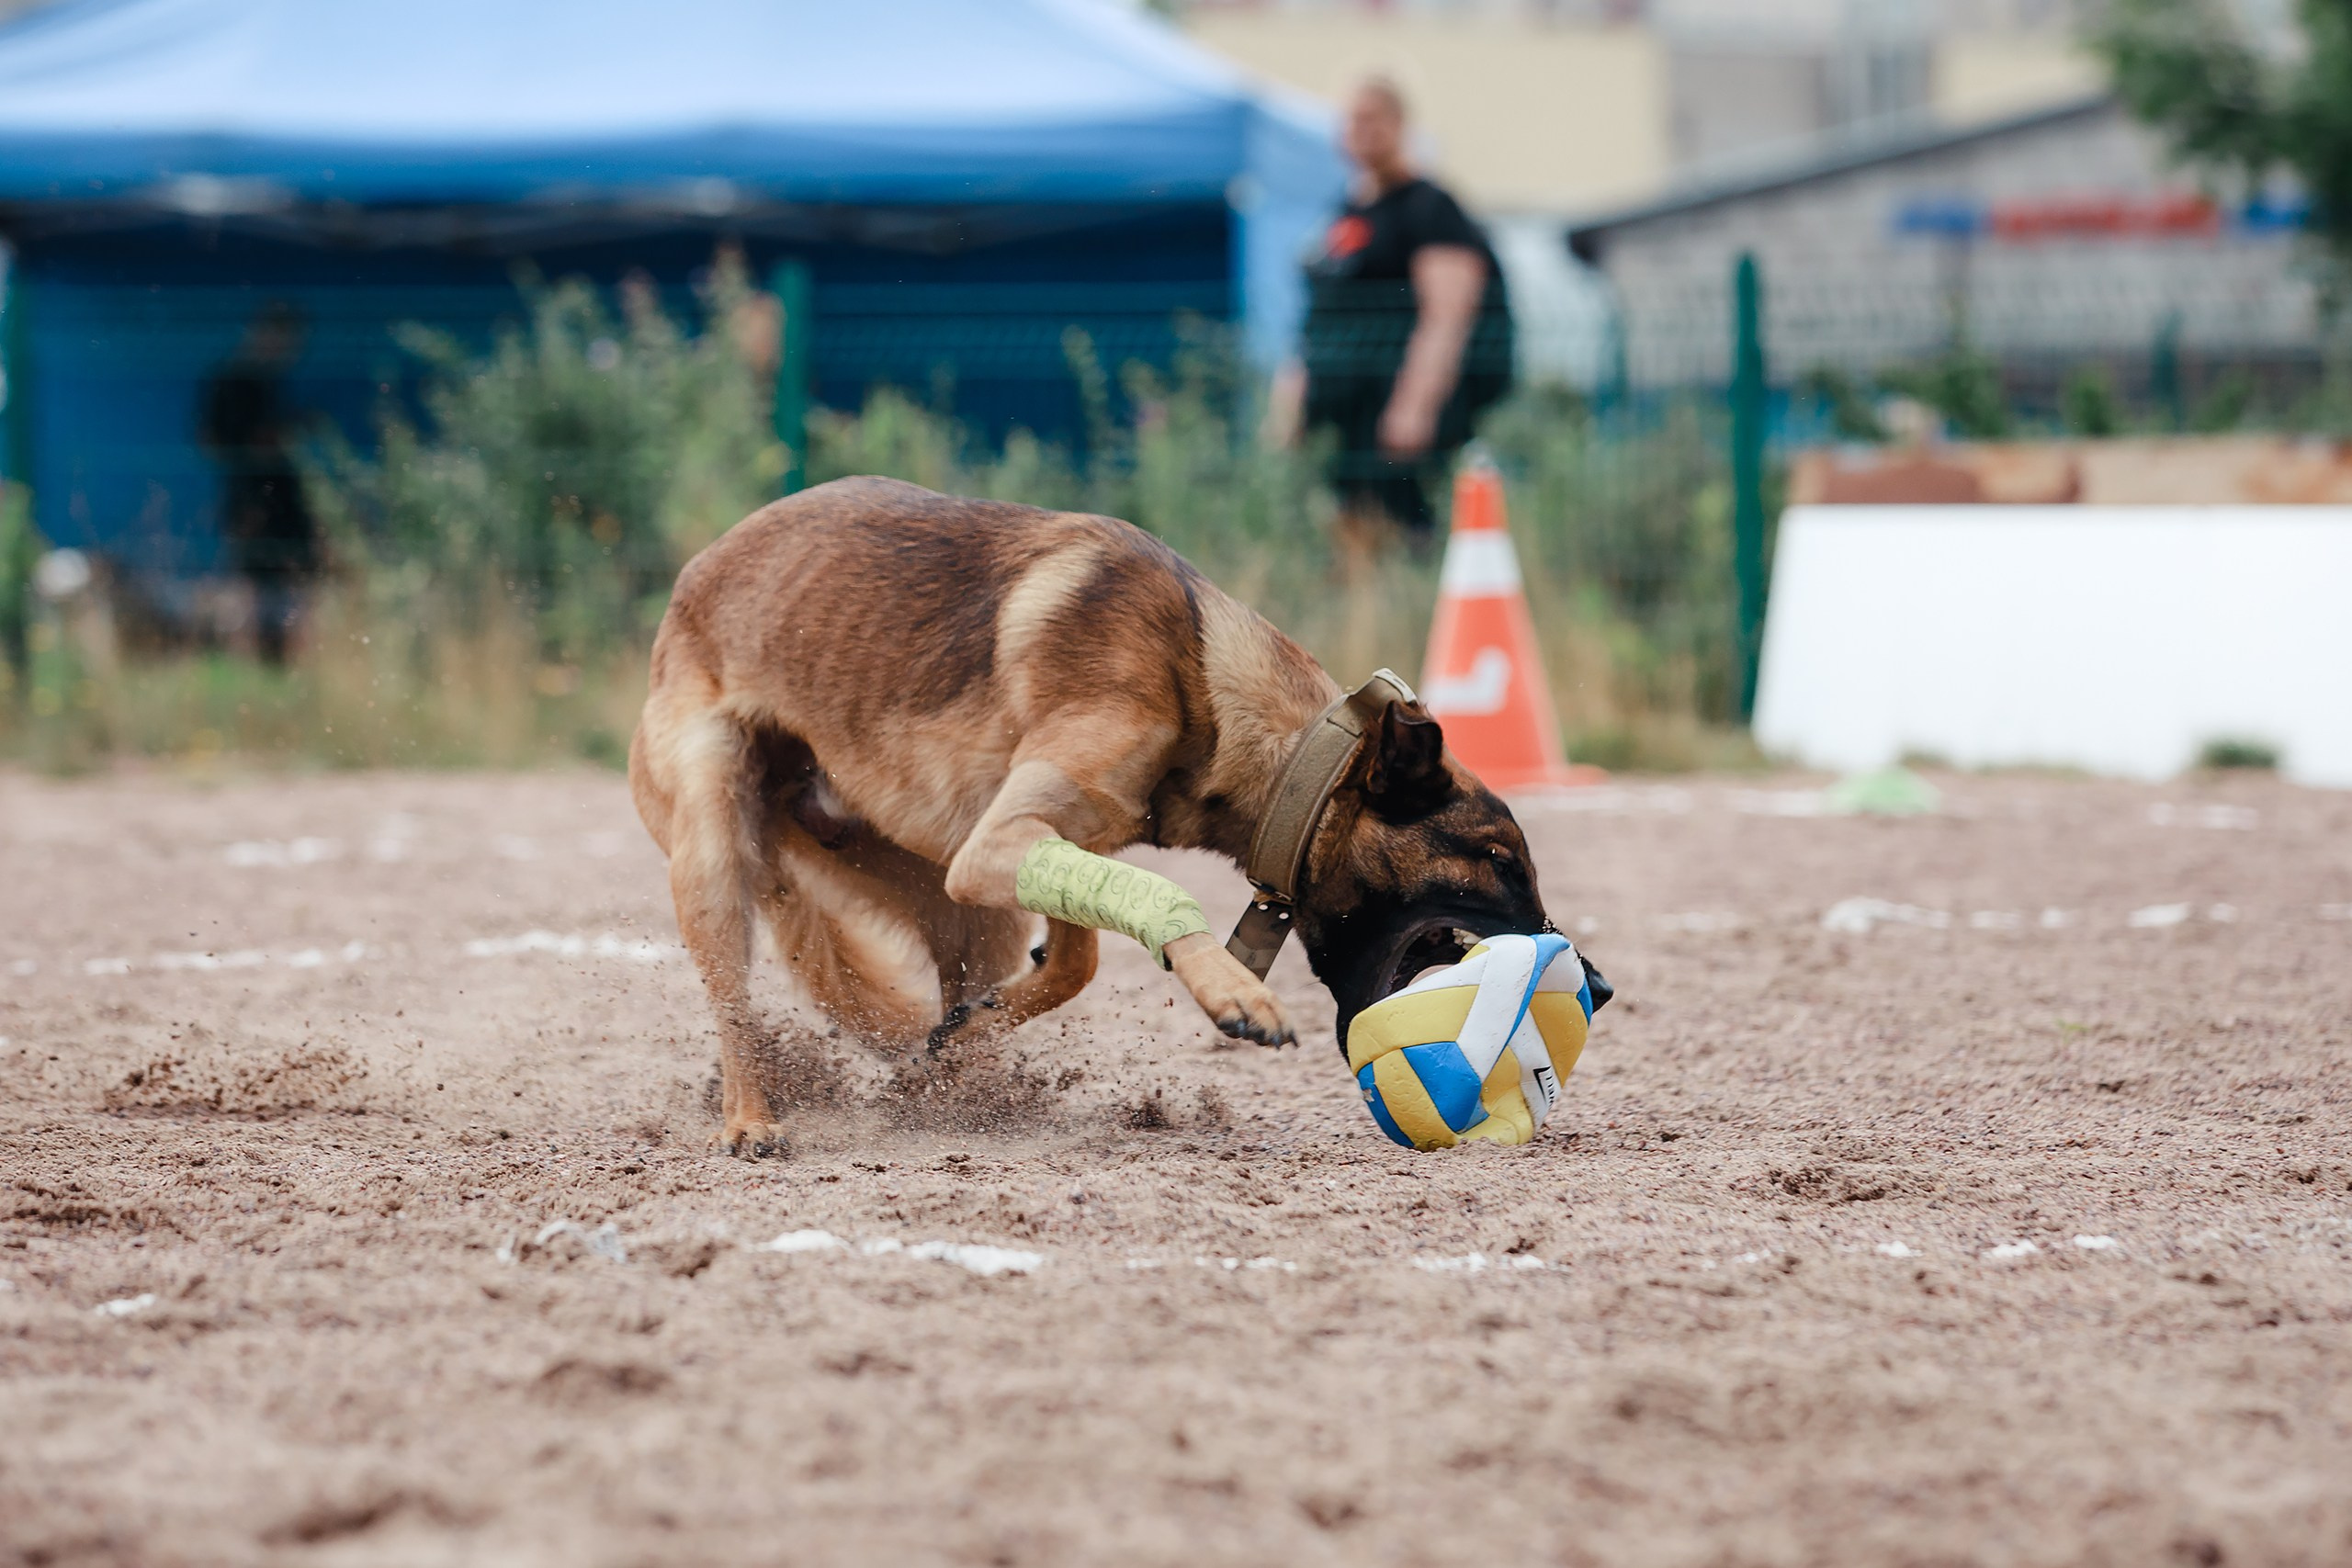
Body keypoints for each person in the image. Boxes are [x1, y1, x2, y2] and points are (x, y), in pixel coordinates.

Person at [1272, 76, 1513, 551]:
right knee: (1342, 531)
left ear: (1398, 126)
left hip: (1393, 408)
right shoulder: (1344, 212)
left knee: (1406, 529)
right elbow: (1319, 313)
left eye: (1370, 119)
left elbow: (1448, 313)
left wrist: (1415, 405)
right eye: (1350, 120)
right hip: (1341, 406)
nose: (1358, 131)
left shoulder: (1431, 208)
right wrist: (1293, 394)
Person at [198, 302, 318, 663]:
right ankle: (255, 659)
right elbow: (218, 441)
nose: (288, 350)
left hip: (279, 500)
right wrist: (272, 441)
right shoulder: (234, 383)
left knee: (288, 582)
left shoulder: (269, 382)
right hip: (252, 500)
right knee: (254, 584)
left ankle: (279, 661)